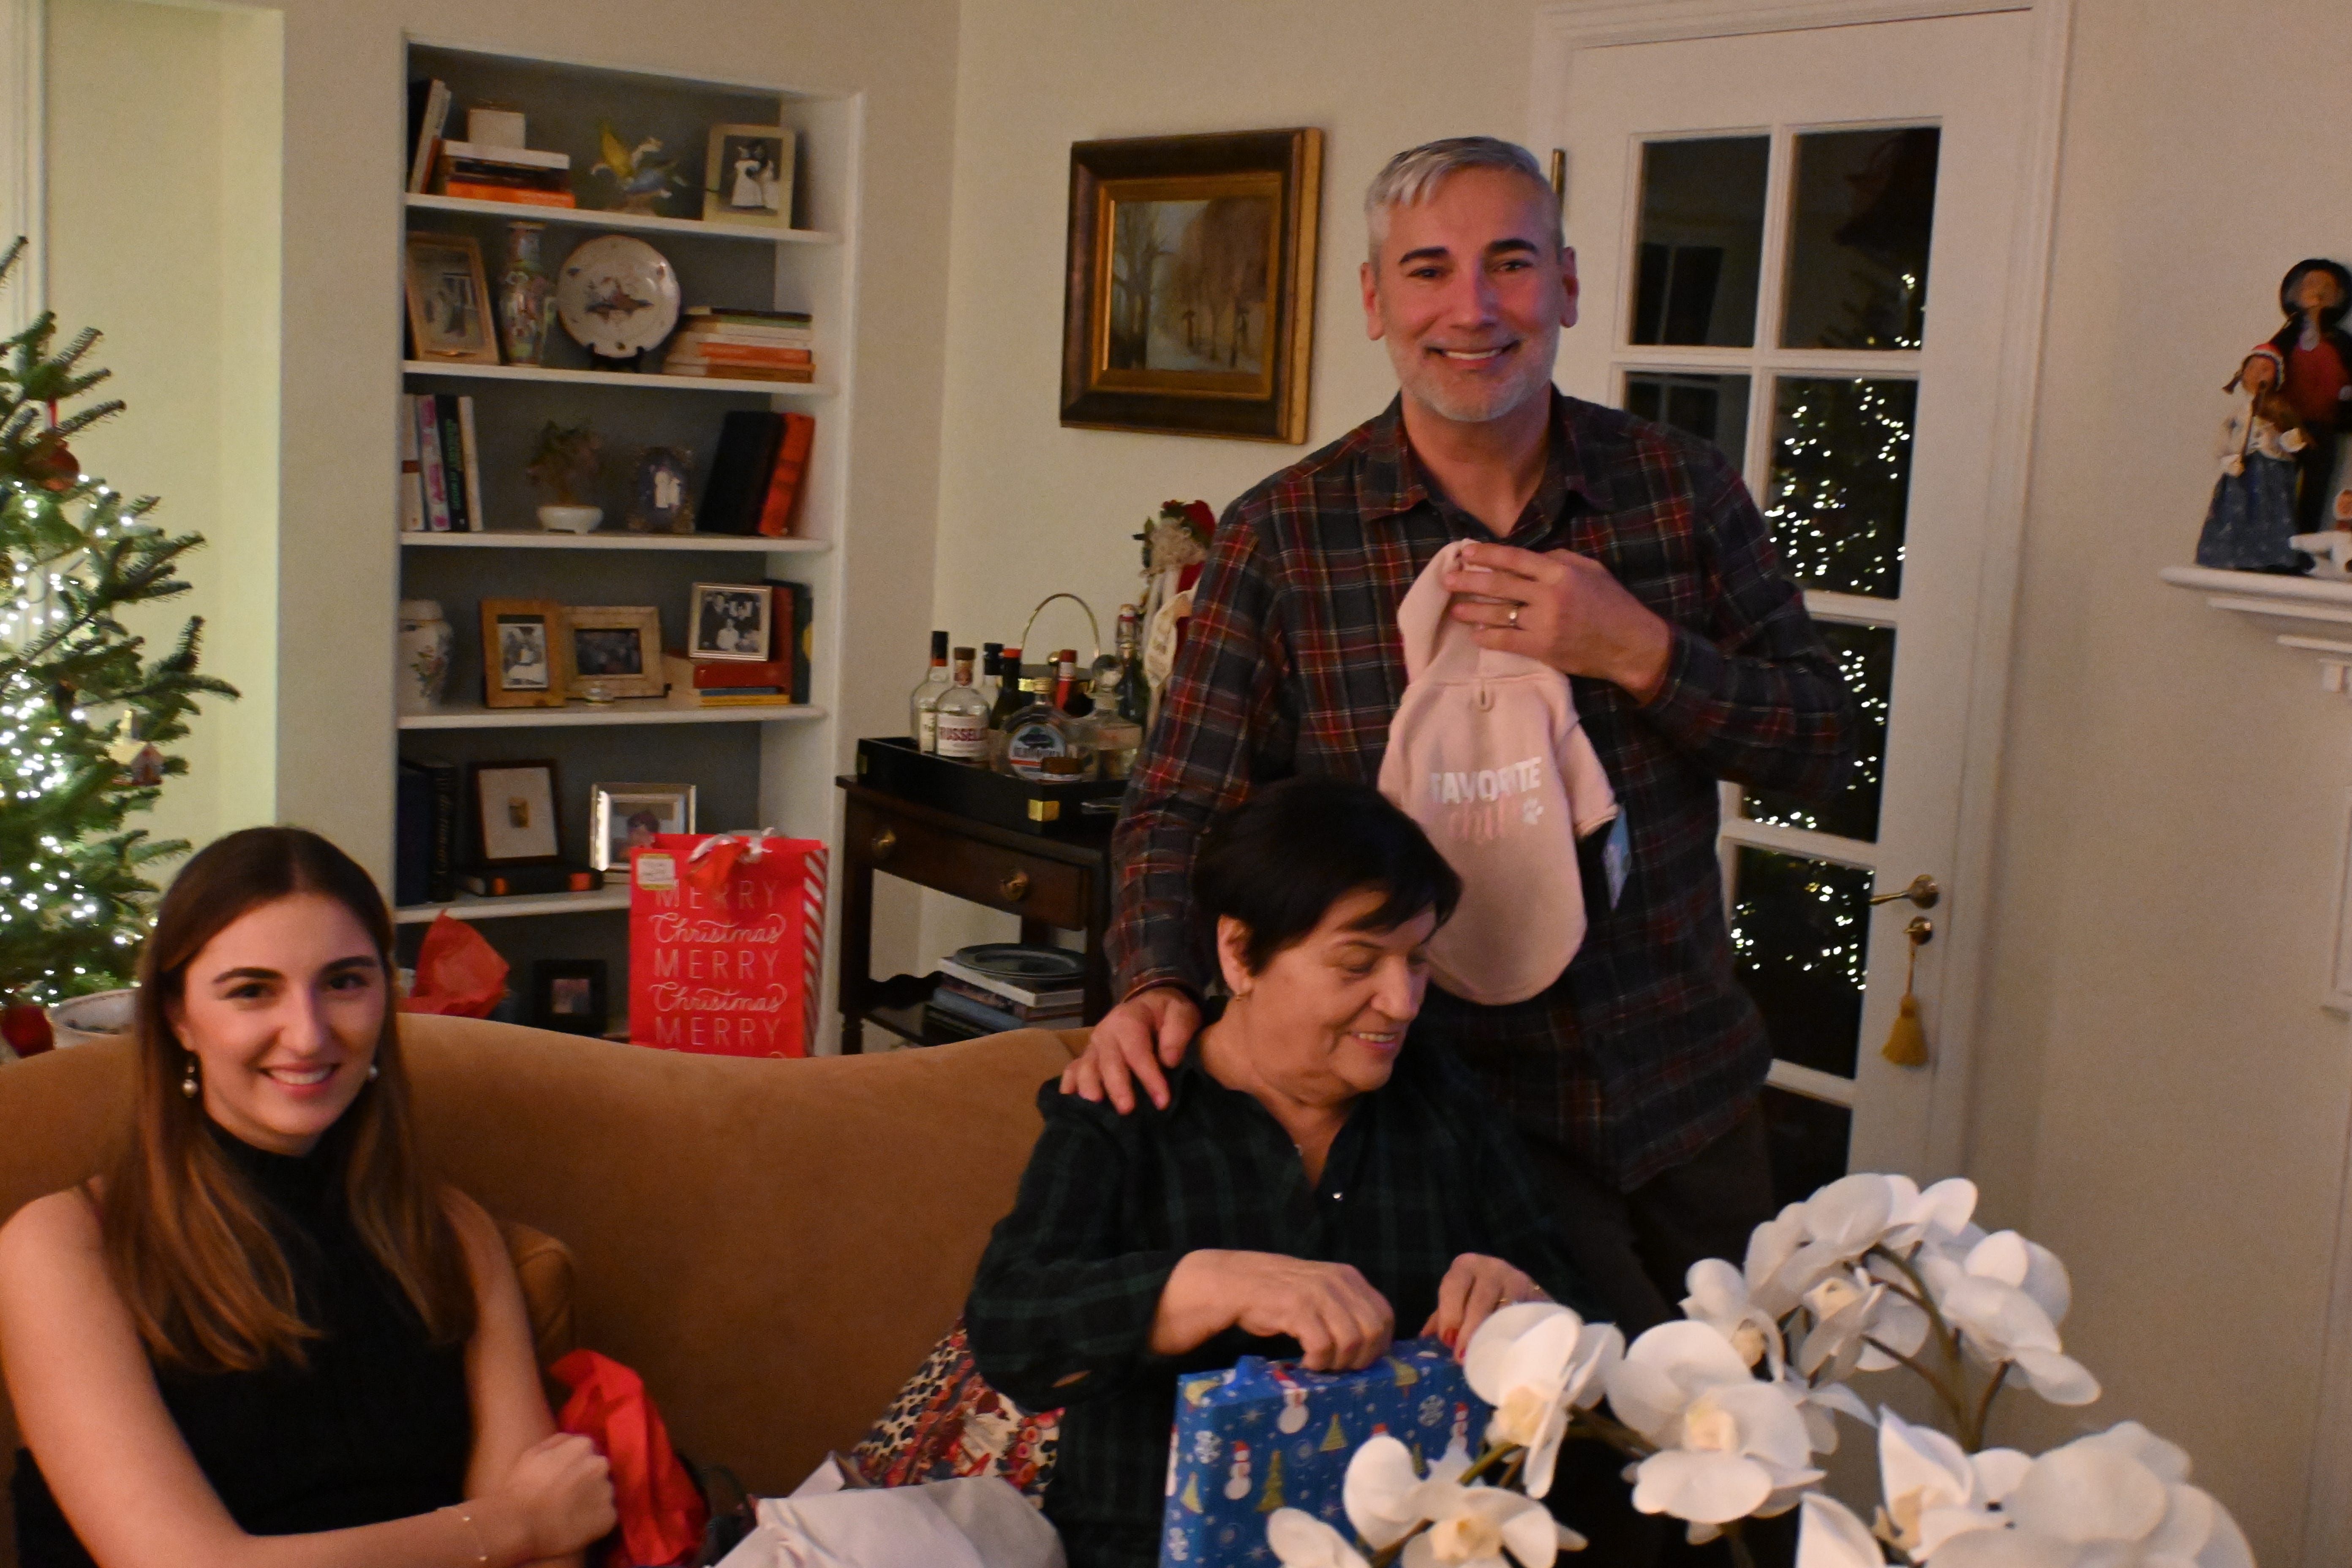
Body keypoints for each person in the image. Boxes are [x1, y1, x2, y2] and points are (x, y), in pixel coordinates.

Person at [1066, 136, 1858, 1336]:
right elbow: (1183, 804)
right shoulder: (1286, 537)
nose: (1473, 309)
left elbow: (1822, 745)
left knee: (1732, 1434)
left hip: (1687, 1106)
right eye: (1429, 270)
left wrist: (1641, 651)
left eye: (1512, 264)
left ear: (1568, 285)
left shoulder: (1682, 491)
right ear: (1375, 300)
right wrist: (1155, 980)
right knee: (1522, 1449)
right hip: (1436, 1124)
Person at [967, 779, 1598, 1568]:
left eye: (1416, 959)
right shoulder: (1130, 1106)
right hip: (1146, 1550)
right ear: (1240, 953)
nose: (1402, 1002)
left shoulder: (1443, 1100)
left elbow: (1580, 1314)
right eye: (1358, 963)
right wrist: (1204, 1285)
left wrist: (1524, 1302)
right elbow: (1010, 1330)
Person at [0, 827, 616, 1568]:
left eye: (344, 982)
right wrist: (507, 1527)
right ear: (177, 1016)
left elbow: (553, 1544)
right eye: (252, 991)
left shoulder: (450, 1230)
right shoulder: (65, 1244)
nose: (308, 1035)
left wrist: (529, 1530)